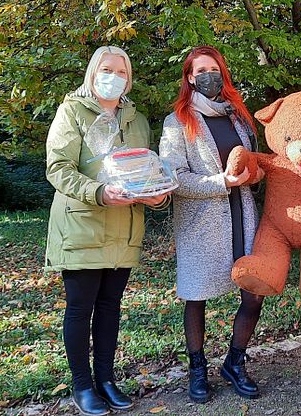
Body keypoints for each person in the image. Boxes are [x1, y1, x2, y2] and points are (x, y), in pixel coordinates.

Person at [44, 46, 170, 416]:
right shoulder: (72, 112)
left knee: (110, 307)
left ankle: (106, 380)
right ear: (92, 71)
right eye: (106, 69)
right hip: (82, 225)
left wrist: (156, 197)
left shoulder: (137, 120)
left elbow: (146, 173)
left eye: (121, 71)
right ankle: (83, 387)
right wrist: (98, 192)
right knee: (81, 309)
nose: (113, 77)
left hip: (124, 229)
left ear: (128, 79)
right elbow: (58, 168)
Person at [159, 45, 265, 403]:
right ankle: (197, 368)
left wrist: (253, 176)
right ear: (190, 77)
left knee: (253, 292)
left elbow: (252, 160)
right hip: (201, 223)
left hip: (243, 216)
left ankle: (234, 362)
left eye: (214, 68)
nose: (209, 75)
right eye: (201, 70)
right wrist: (222, 183)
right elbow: (174, 178)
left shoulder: (237, 116)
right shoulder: (178, 121)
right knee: (197, 296)